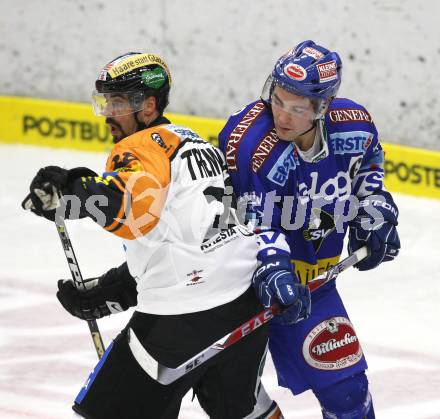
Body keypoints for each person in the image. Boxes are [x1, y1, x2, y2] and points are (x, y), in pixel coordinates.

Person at [21, 52, 283, 419]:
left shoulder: (139, 147)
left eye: (119, 102)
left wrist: (72, 192)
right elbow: (188, 239)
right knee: (245, 409)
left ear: (147, 105)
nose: (110, 113)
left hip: (184, 318)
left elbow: (133, 211)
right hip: (245, 299)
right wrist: (116, 289)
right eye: (106, 102)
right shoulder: (194, 143)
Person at [218, 40, 401, 419]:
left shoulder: (355, 127)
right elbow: (249, 220)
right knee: (233, 400)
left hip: (313, 285)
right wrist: (272, 268)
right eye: (278, 100)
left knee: (349, 394)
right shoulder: (255, 143)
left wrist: (375, 212)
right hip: (235, 288)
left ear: (322, 107)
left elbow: (369, 171)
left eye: (297, 108)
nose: (282, 115)